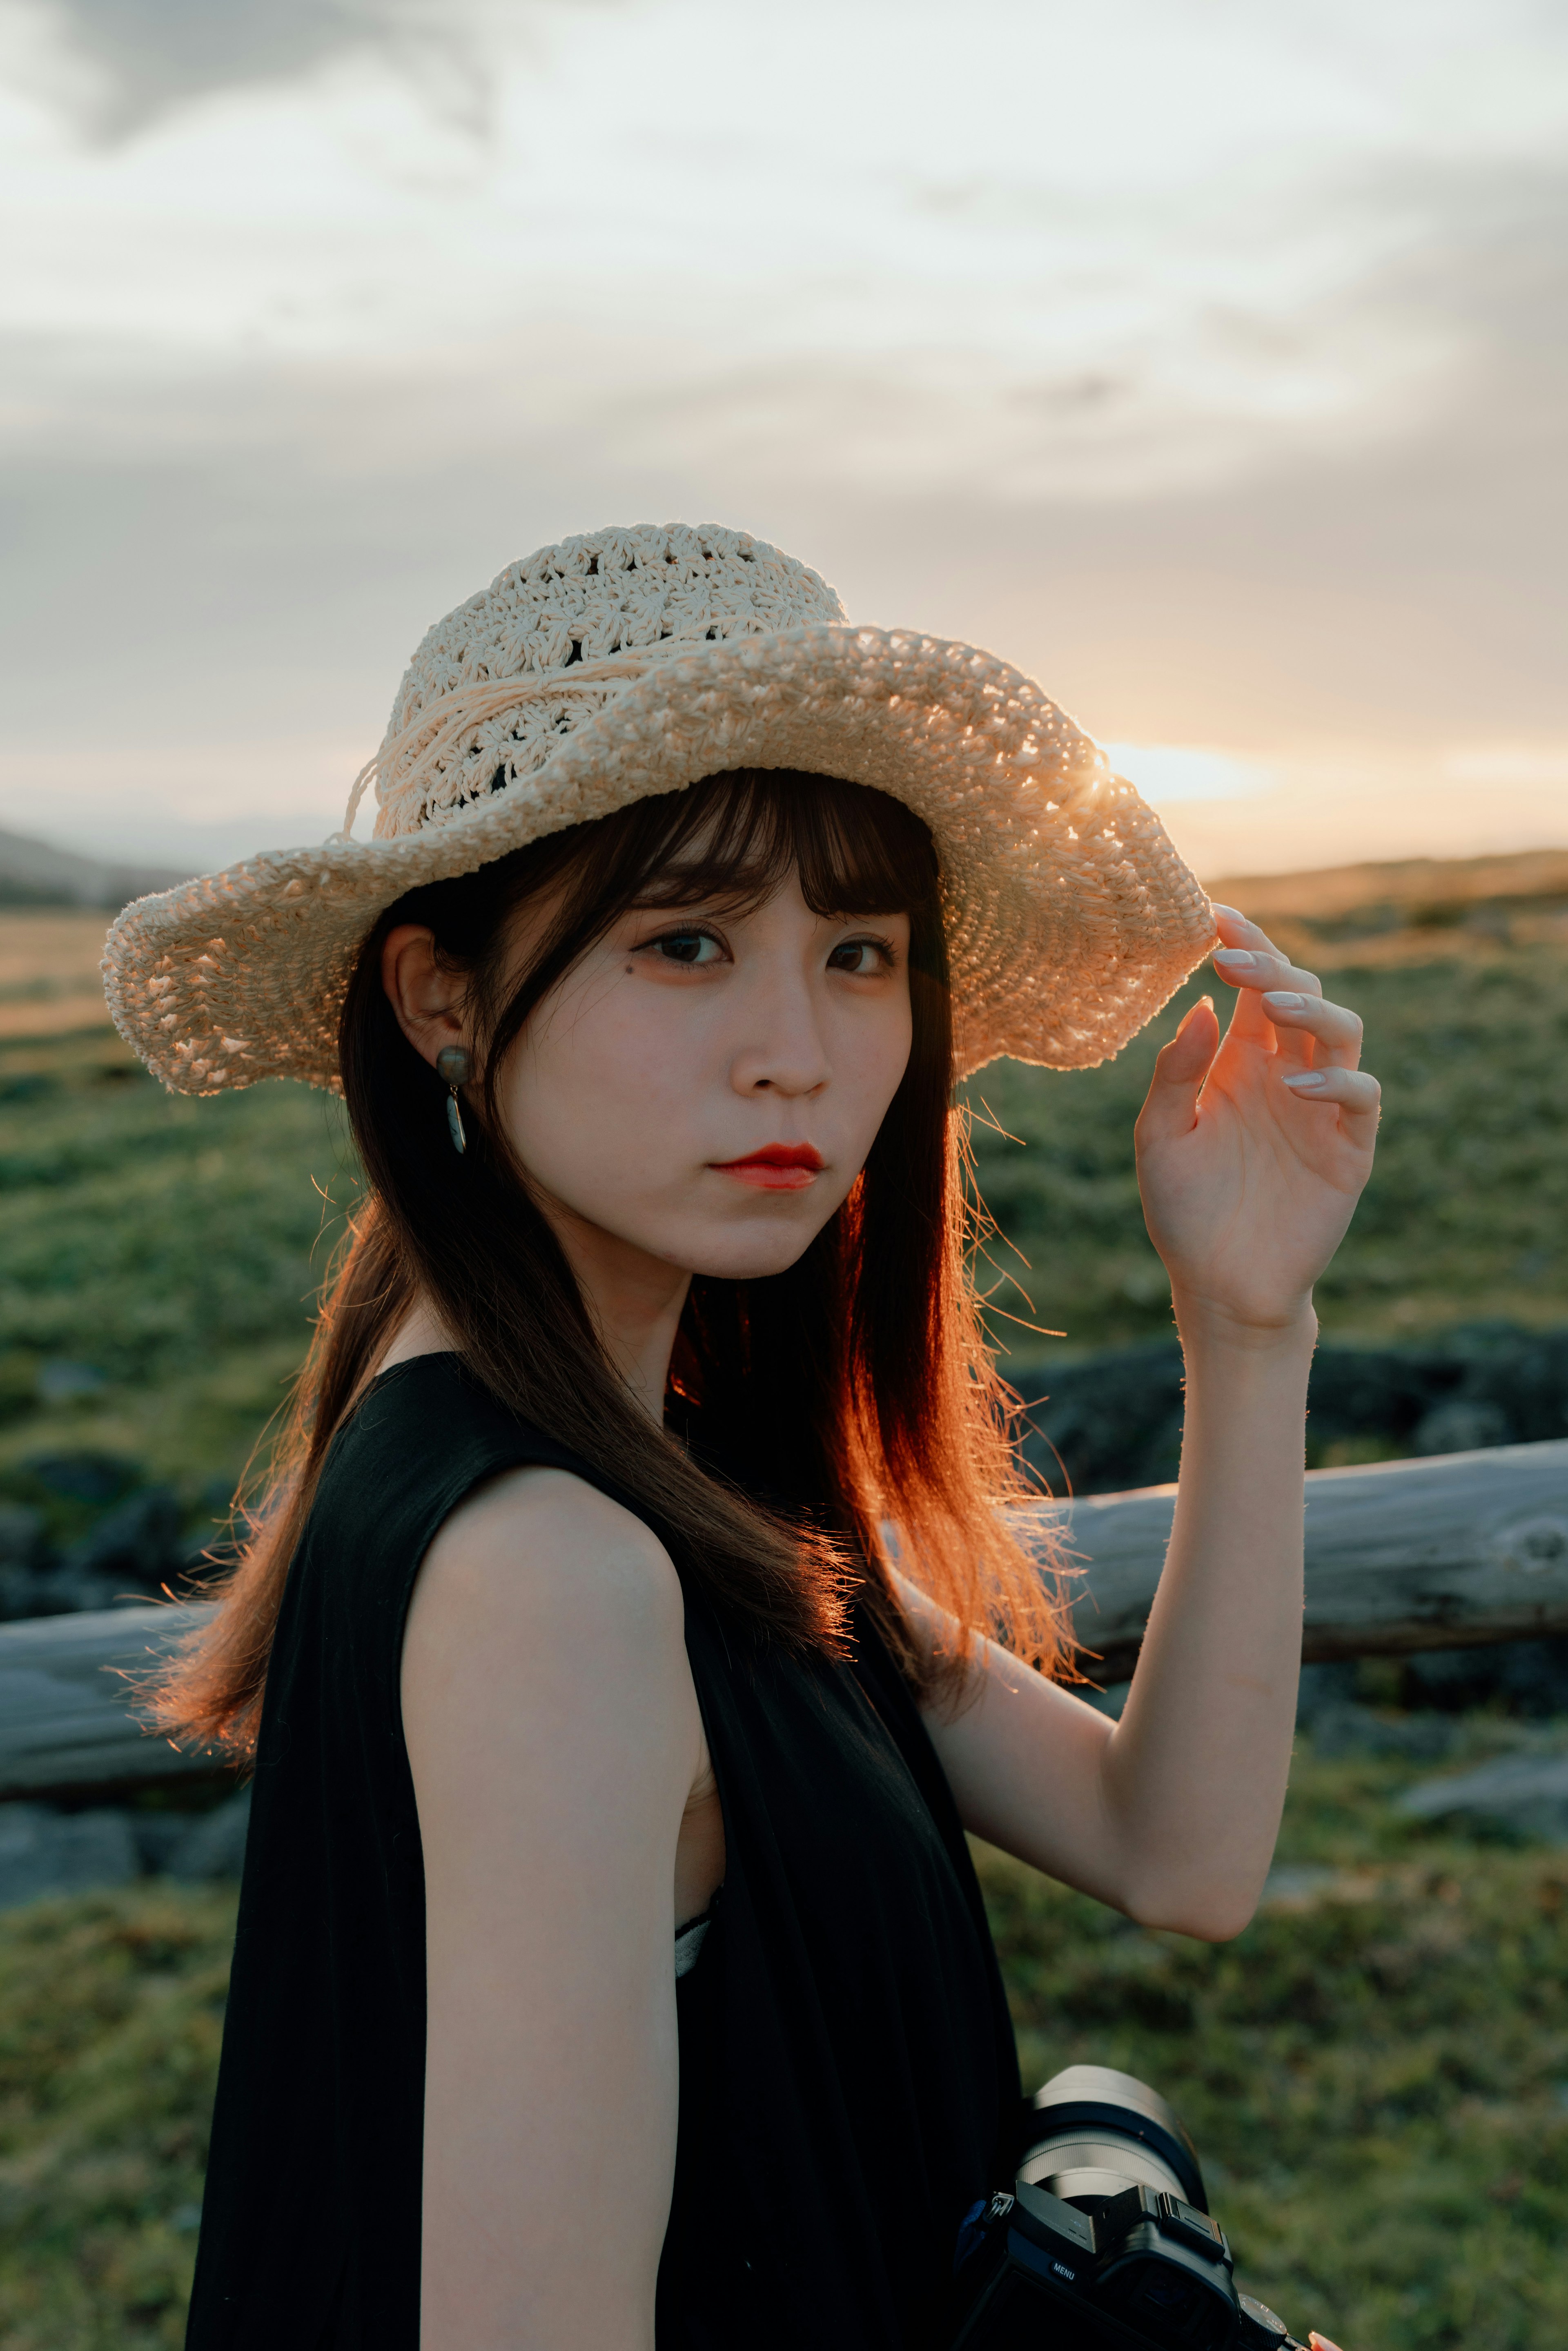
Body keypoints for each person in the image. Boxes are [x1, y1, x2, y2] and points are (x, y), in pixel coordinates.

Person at [105, 523, 1379, 2351]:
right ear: (440, 998)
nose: (797, 1048)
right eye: (686, 941)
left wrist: (1250, 1327)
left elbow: (1173, 1851)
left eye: (858, 950)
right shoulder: (550, 1570)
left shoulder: (662, 1465)